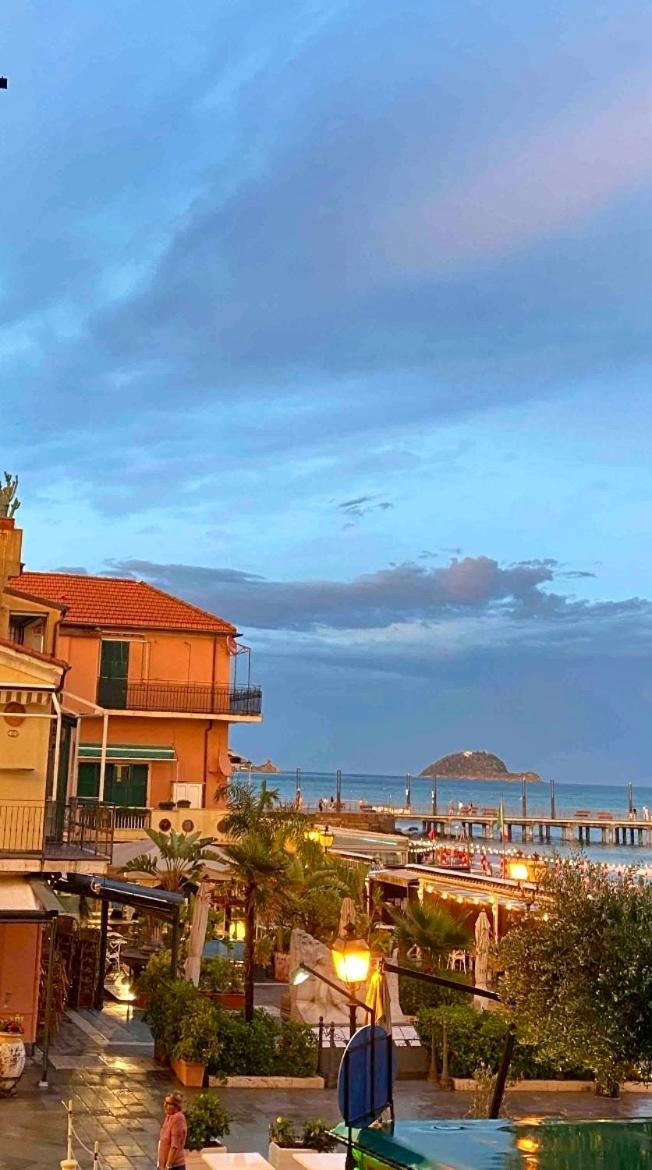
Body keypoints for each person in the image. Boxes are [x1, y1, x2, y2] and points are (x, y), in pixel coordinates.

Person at [158, 1092, 187, 1170]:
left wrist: (168, 1166)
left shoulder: (178, 1119)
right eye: (165, 1102)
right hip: (163, 1165)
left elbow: (175, 1145)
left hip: (173, 1166)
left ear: (177, 1106)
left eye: (168, 1103)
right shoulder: (169, 1116)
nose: (165, 1105)